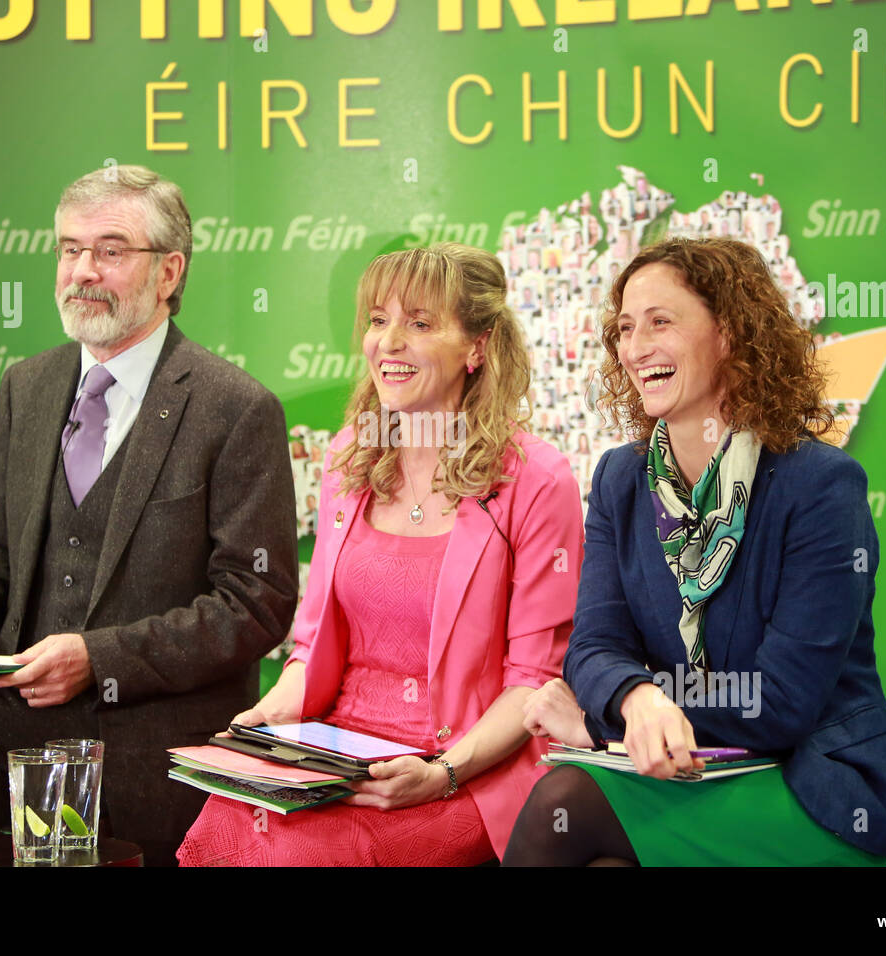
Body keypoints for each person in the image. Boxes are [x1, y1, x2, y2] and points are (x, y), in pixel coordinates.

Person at [0, 166, 298, 866]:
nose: (82, 271)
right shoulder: (28, 386)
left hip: (152, 731)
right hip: (25, 703)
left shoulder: (234, 409)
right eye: (68, 249)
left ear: (169, 272)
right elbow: (1, 553)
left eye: (111, 251)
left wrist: (98, 660)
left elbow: (257, 605)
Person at [504, 237, 886, 866]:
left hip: (809, 788)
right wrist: (637, 702)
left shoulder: (820, 485)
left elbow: (778, 703)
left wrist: (602, 723)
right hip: (686, 777)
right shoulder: (621, 478)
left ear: (730, 335)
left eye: (661, 322)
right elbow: (593, 646)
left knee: (565, 806)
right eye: (625, 329)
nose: (636, 348)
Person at [177, 243, 584, 866]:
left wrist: (442, 772)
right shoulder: (351, 458)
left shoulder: (536, 479)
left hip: (466, 770)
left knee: (297, 853)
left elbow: (531, 682)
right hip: (336, 754)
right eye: (377, 319)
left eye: (419, 323)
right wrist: (263, 719)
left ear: (477, 348)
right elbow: (311, 646)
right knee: (229, 820)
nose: (388, 342)